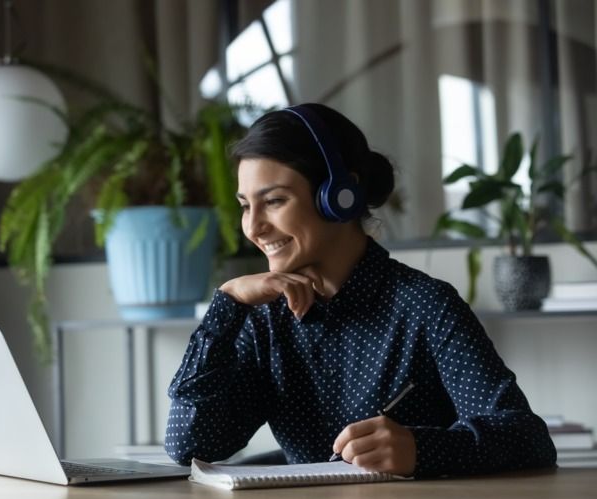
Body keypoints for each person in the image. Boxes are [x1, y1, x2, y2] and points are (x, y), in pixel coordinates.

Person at [164, 103, 557, 478]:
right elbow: (188, 444)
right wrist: (228, 302)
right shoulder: (265, 318)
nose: (253, 227)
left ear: (340, 196)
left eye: (274, 201)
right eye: (245, 206)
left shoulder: (425, 305)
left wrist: (420, 449)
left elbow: (528, 440)